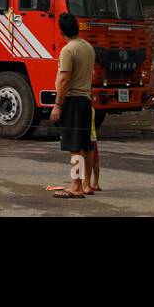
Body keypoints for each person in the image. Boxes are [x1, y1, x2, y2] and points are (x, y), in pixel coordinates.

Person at [51, 12, 95, 199]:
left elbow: (64, 78)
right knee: (85, 145)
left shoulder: (68, 50)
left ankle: (75, 185)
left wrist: (57, 104)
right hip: (85, 100)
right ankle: (85, 184)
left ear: (61, 31)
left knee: (74, 147)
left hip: (73, 101)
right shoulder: (88, 48)